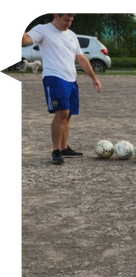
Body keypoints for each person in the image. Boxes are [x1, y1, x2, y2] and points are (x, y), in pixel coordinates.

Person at [18, 10, 102, 165]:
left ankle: (64, 147)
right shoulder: (42, 30)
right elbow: (24, 41)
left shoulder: (71, 35)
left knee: (68, 114)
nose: (68, 24)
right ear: (56, 15)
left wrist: (94, 78)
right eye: (66, 20)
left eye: (71, 20)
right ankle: (56, 151)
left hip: (71, 79)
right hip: (54, 77)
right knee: (62, 112)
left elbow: (81, 58)